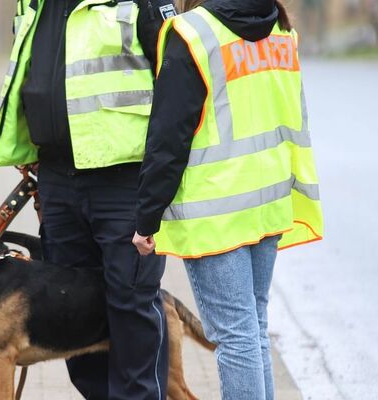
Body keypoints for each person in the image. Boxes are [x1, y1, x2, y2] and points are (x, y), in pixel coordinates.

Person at [0, 0, 178, 398]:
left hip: (126, 180)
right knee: (71, 312)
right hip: (57, 179)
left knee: (131, 308)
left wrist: (161, 180)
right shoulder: (34, 3)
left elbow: (177, 85)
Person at [131, 0, 324, 398]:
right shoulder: (280, 29)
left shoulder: (193, 34)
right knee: (251, 328)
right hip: (267, 202)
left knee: (236, 336)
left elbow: (168, 140)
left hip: (215, 214)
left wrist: (146, 218)